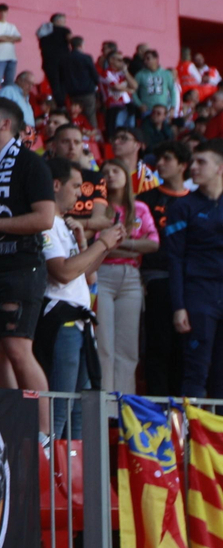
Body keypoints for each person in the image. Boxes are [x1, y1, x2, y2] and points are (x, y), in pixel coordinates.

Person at [0, 94, 57, 432]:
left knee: (16, 347)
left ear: (6, 124)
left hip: (22, 266)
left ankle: (44, 435)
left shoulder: (30, 163)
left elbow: (45, 218)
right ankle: (10, 431)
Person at [37, 157, 124, 437]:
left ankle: (74, 478)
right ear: (56, 185)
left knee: (78, 412)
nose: (80, 193)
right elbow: (62, 273)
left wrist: (96, 246)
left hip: (80, 322)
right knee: (61, 408)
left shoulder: (65, 224)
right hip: (62, 319)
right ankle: (51, 477)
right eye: (76, 186)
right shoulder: (47, 223)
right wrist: (102, 242)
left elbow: (86, 275)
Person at [167, 140, 223, 396]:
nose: (194, 167)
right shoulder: (182, 207)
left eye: (202, 162)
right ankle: (192, 436)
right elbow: (175, 258)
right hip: (198, 294)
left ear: (220, 168)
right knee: (196, 370)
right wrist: (179, 306)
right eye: (193, 162)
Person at [95, 160, 156, 393]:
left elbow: (154, 244)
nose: (110, 175)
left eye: (116, 171)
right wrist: (133, 246)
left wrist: (115, 245)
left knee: (128, 347)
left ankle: (124, 407)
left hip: (131, 277)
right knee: (104, 345)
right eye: (106, 172)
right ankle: (106, 409)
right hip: (102, 273)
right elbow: (98, 245)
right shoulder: (99, 207)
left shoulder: (140, 208)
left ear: (126, 176)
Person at [139, 141, 192, 396]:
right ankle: (158, 409)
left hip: (190, 283)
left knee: (185, 348)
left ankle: (182, 416)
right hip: (156, 279)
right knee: (158, 347)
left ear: (183, 165)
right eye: (158, 158)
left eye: (167, 159)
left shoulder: (196, 202)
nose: (160, 164)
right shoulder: (145, 199)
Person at [0, 4, 22, 87]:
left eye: (5, 12)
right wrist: (11, 39)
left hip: (12, 57)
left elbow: (19, 38)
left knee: (9, 83)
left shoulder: (12, 26)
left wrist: (5, 38)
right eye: (1, 12)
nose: (3, 14)